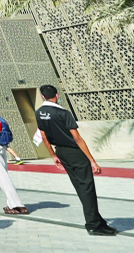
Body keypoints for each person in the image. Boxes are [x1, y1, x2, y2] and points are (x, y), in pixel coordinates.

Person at [35, 85, 117, 236]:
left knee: (81, 187)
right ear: (57, 95)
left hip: (61, 152)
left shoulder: (39, 113)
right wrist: (92, 160)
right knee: (87, 187)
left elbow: (44, 137)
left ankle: (98, 221)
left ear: (42, 96)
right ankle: (93, 225)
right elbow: (77, 138)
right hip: (74, 153)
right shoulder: (63, 113)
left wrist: (54, 155)